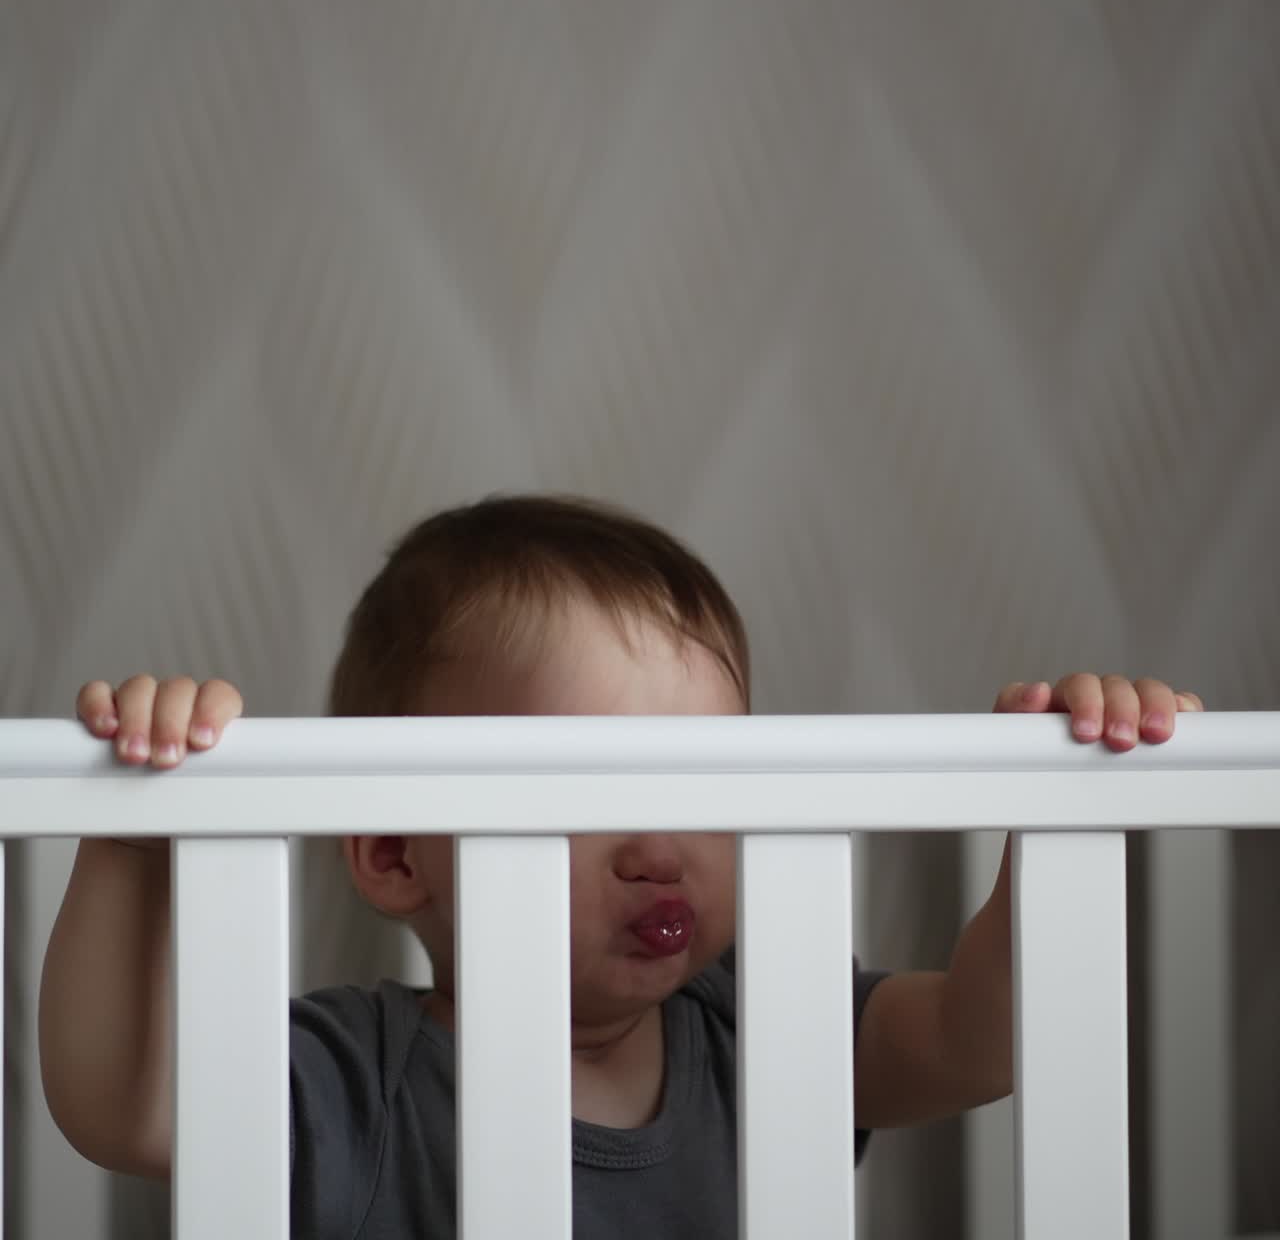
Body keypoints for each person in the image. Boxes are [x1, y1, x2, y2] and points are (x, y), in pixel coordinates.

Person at [38, 494, 1203, 1239]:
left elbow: (973, 1038)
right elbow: (120, 1103)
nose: (665, 849)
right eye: (593, 793)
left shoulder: (766, 1029)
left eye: (703, 787)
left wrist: (1055, 807)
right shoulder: (360, 1080)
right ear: (397, 855)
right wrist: (136, 833)